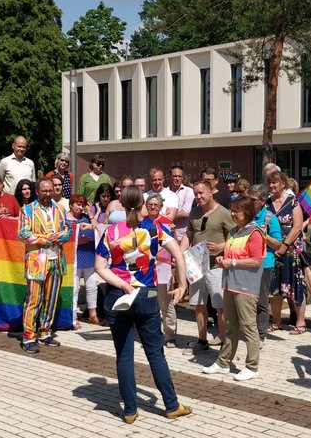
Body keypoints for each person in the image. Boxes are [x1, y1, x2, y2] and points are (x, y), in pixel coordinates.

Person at [95, 184, 192, 423]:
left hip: (118, 296)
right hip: (146, 295)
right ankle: (171, 405)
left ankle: (129, 410)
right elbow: (178, 254)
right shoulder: (154, 227)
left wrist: (122, 284)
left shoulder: (111, 231)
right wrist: (182, 285)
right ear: (142, 203)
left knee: (124, 355)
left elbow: (100, 267)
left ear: (121, 204)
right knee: (155, 353)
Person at [202, 197, 265, 381]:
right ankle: (223, 363)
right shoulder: (234, 231)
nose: (232, 213)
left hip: (246, 286)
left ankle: (252, 367)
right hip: (230, 284)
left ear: (246, 212)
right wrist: (223, 260)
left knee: (248, 326)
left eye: (236, 210)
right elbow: (229, 255)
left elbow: (256, 261)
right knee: (230, 325)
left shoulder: (255, 232)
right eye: (231, 210)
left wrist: (234, 262)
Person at [17, 178, 72, 353]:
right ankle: (28, 336)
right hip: (37, 261)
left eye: (50, 191)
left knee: (51, 299)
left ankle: (45, 331)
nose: (48, 194)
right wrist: (47, 239)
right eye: (44, 191)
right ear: (37, 192)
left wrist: (62, 236)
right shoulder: (27, 210)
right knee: (34, 300)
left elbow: (68, 229)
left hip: (57, 259)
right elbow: (23, 233)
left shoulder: (60, 209)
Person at [181, 180, 233, 352]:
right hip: (196, 264)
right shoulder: (194, 212)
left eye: (202, 193)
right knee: (198, 304)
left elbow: (236, 238)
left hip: (216, 266)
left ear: (211, 192)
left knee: (220, 306)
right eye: (196, 193)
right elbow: (188, 235)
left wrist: (221, 247)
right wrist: (180, 253)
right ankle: (202, 341)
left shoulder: (223, 213)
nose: (198, 196)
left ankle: (225, 341)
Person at [266, 172, 306, 334]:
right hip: (271, 249)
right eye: (269, 183)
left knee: (295, 284)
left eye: (274, 182)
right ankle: (276, 321)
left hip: (290, 250)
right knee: (273, 286)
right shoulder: (266, 203)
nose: (271, 186)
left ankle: (301, 322)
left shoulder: (293, 202)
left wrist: (284, 246)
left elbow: (297, 226)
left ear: (283, 184)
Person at [247, 184, 282, 344]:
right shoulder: (245, 215)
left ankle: (260, 335)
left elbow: (278, 245)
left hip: (264, 264)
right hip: (246, 262)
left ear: (261, 201)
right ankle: (248, 330)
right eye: (248, 198)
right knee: (247, 299)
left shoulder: (270, 218)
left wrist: (264, 236)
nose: (249, 202)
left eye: (252, 200)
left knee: (261, 300)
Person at [144, 193, 177, 347]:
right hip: (147, 273)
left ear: (161, 207)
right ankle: (152, 336)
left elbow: (175, 246)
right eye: (150, 204)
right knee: (151, 304)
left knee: (166, 304)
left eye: (156, 204)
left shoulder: (167, 223)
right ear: (145, 206)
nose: (152, 207)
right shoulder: (141, 223)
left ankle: (170, 335)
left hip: (164, 271)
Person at [67, 194, 97, 325]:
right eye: (78, 204)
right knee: (75, 287)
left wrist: (90, 214)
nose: (80, 207)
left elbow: (97, 227)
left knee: (92, 286)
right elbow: (63, 237)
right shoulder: (65, 219)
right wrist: (78, 241)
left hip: (89, 256)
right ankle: (73, 315)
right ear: (71, 205)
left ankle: (93, 315)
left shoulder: (86, 218)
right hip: (74, 258)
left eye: (82, 204)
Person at [168, 165, 194, 241]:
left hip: (182, 236)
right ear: (170, 177)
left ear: (182, 178)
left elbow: (185, 212)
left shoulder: (189, 191)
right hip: (166, 235)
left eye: (179, 176)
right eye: (175, 176)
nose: (177, 178)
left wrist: (165, 217)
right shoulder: (165, 192)